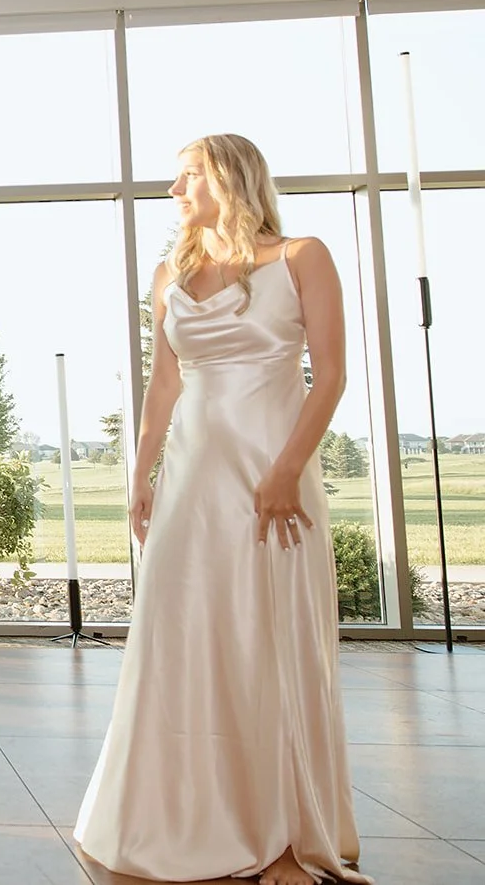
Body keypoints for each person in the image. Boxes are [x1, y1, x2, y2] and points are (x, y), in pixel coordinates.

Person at [74, 134, 370, 884]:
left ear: (231, 178)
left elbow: (332, 375)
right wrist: (142, 473)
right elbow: (164, 384)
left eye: (189, 175)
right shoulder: (170, 274)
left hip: (274, 478)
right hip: (191, 482)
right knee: (183, 637)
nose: (175, 190)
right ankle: (179, 815)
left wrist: (288, 469)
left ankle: (285, 834)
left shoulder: (302, 257)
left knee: (271, 636)